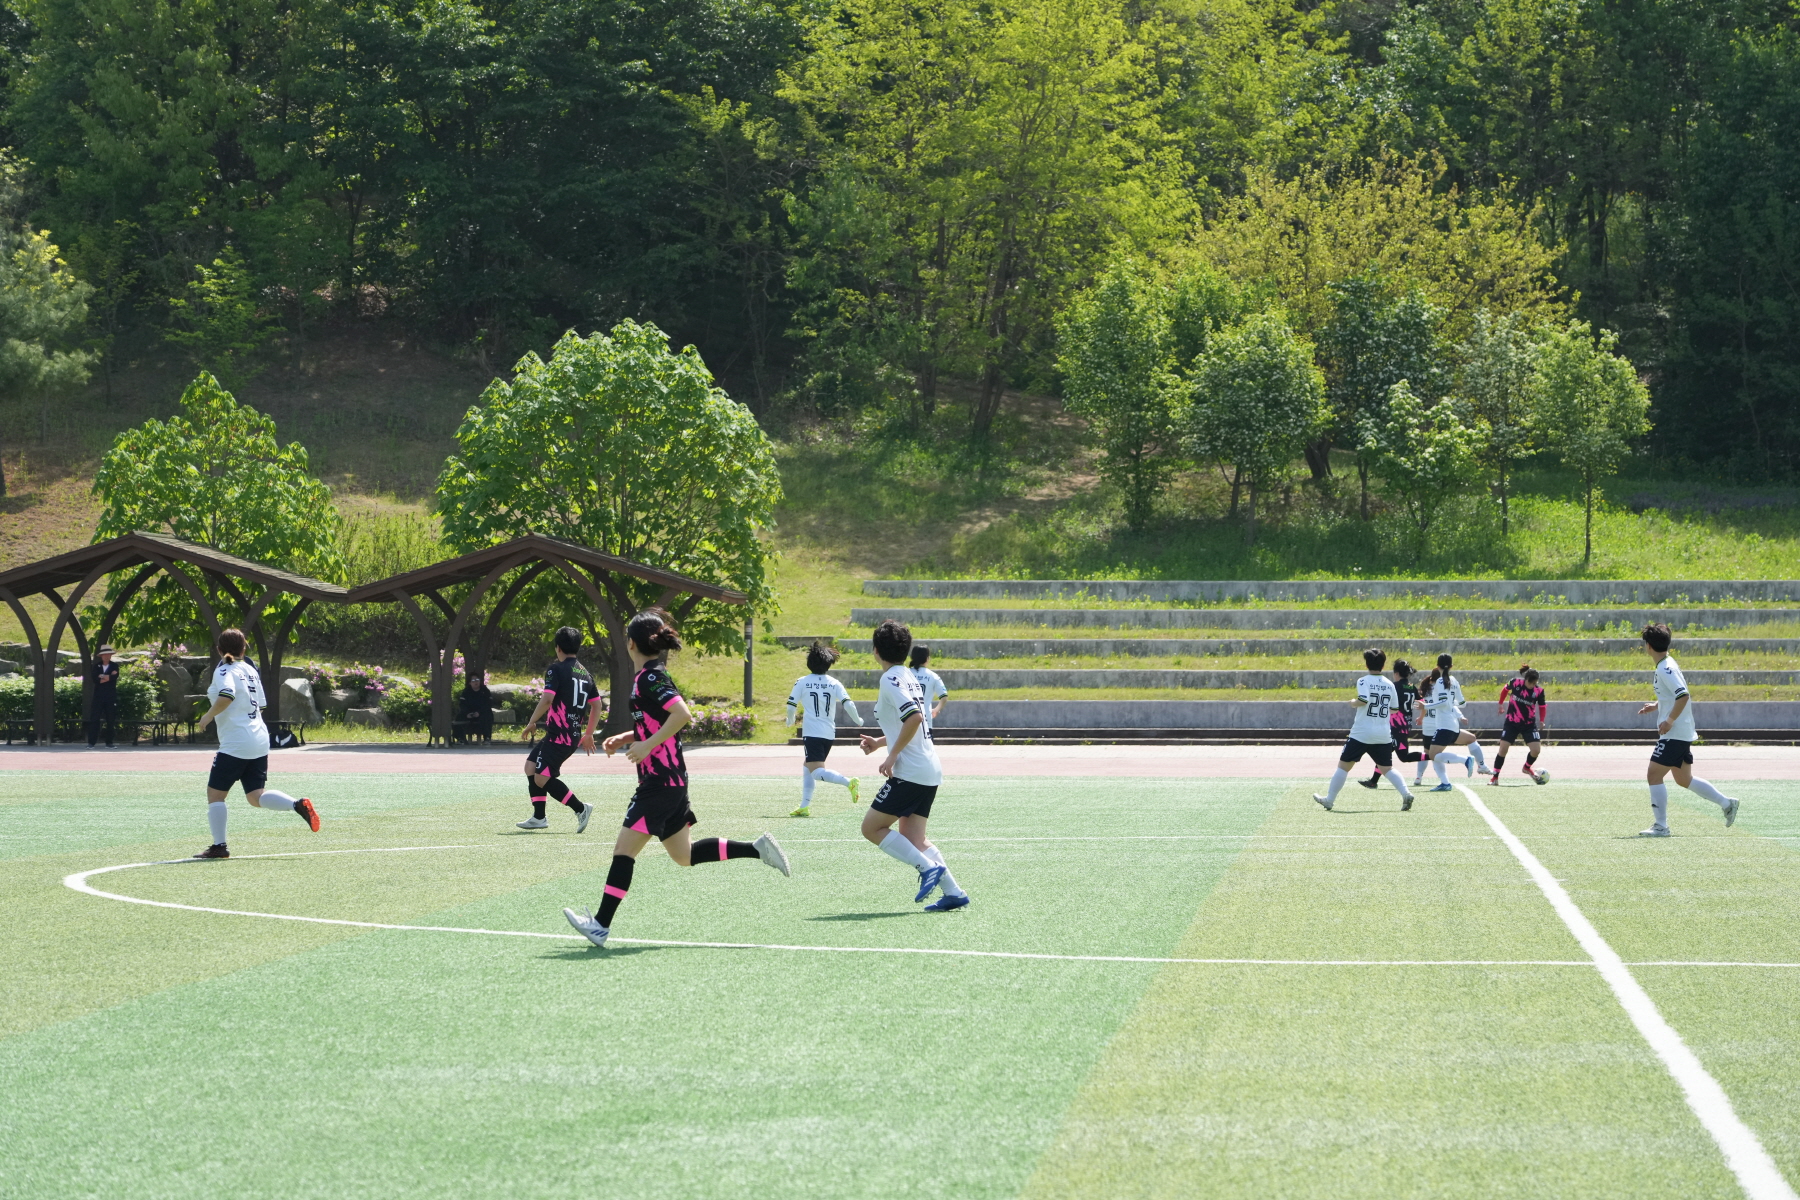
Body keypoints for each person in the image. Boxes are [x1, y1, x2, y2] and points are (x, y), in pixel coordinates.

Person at [563, 608, 790, 948]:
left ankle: (600, 924)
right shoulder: (652, 675)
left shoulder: (650, 677)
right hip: (670, 781)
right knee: (683, 856)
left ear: (631, 644)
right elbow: (657, 720)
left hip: (659, 782)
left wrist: (646, 745)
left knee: (623, 851)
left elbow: (681, 714)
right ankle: (757, 849)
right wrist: (628, 738)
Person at [857, 619, 969, 912]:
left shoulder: (889, 679)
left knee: (871, 828)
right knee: (914, 837)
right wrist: (880, 744)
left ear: (876, 650)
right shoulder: (907, 675)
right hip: (928, 768)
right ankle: (954, 892)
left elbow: (914, 719)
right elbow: (909, 722)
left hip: (910, 771)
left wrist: (891, 755)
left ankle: (927, 868)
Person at [191, 629, 319, 859]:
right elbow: (260, 705)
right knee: (256, 796)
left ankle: (219, 847)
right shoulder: (250, 669)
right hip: (259, 739)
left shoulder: (224, 670)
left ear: (219, 650)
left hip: (236, 743)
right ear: (244, 648)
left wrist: (208, 716)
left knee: (215, 796)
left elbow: (226, 695)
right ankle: (296, 804)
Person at [1637, 622, 1738, 837]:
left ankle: (1661, 826)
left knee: (1653, 774)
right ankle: (1727, 803)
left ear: (1648, 646)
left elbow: (1683, 695)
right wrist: (1656, 706)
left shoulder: (1665, 668)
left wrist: (1669, 720)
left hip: (1675, 733)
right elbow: (1675, 694)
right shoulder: (1667, 663)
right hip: (1681, 732)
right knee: (1684, 780)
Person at [516, 627, 602, 831]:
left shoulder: (557, 669)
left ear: (558, 647)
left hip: (560, 736)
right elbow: (597, 705)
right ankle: (539, 817)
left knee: (542, 777)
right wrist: (588, 733)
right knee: (530, 767)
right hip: (566, 735)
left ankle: (581, 808)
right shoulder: (586, 674)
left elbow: (547, 699)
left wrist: (532, 721)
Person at [1314, 648, 1416, 812]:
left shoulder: (1363, 681)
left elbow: (1363, 700)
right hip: (1383, 734)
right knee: (1387, 769)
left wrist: (1353, 702)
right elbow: (1395, 709)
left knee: (1343, 767)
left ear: (1367, 663)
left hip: (1361, 733)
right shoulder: (1390, 684)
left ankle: (1329, 800)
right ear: (1383, 665)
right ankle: (1406, 793)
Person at [784, 640, 863, 817]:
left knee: (816, 771)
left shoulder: (802, 682)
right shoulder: (834, 683)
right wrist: (858, 719)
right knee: (807, 767)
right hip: (828, 733)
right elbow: (848, 704)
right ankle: (804, 806)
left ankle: (849, 782)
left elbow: (791, 706)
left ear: (809, 663)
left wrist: (789, 720)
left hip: (812, 732)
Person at [1421, 654, 1490, 791]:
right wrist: (1452, 704)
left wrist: (1426, 706)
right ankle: (1447, 782)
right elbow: (1463, 703)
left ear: (1438, 666)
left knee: (1433, 755)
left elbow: (1443, 702)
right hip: (1452, 724)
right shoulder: (1454, 680)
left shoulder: (1440, 682)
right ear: (1451, 666)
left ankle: (1465, 760)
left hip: (1444, 725)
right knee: (1470, 738)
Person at [1359, 658, 1421, 789]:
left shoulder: (1395, 686)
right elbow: (1422, 702)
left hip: (1395, 725)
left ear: (1396, 673)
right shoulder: (1411, 687)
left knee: (1403, 756)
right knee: (1386, 753)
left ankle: (1433, 755)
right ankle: (1373, 781)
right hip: (1405, 725)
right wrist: (1421, 716)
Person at [1491, 665, 1550, 785]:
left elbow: (1542, 707)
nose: (1532, 685)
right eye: (1530, 683)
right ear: (1526, 679)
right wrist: (1501, 704)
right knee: (1503, 749)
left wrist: (1542, 720)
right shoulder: (1515, 682)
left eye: (1534, 683)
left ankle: (1527, 767)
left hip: (1528, 724)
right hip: (1512, 722)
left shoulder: (1539, 691)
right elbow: (1504, 690)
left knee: (1536, 750)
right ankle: (1495, 777)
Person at [86, 644, 121, 748]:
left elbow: (115, 677)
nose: (106, 656)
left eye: (108, 654)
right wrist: (108, 677)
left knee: (110, 719)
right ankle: (91, 742)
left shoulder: (114, 666)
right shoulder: (96, 666)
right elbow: (95, 679)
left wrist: (104, 677)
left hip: (110, 696)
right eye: (104, 654)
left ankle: (109, 742)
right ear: (101, 656)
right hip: (98, 696)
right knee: (94, 719)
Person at [908, 644, 949, 730]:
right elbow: (944, 697)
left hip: (906, 721)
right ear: (927, 658)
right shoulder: (933, 676)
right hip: (925, 721)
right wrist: (936, 710)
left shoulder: (905, 674)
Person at [457, 674, 495, 744]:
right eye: (473, 680)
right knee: (459, 716)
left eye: (477, 680)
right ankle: (460, 738)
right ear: (470, 683)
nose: (475, 682)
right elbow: (462, 704)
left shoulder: (485, 691)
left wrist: (479, 712)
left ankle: (487, 738)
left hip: (482, 713)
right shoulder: (466, 692)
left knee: (487, 715)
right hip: (469, 713)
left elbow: (488, 704)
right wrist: (467, 713)